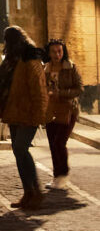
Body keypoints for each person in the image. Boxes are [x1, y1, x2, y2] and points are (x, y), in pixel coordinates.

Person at [0, 25, 48, 210]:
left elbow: (39, 89)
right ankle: (28, 192)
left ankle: (36, 191)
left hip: (28, 112)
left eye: (8, 40)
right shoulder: (11, 60)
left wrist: (39, 113)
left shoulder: (31, 59)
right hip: (13, 111)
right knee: (17, 151)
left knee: (21, 148)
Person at [44, 38, 83, 189]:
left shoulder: (70, 67)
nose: (57, 54)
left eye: (59, 51)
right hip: (51, 109)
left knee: (59, 142)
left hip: (68, 109)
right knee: (52, 144)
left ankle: (63, 175)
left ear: (63, 51)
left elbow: (79, 88)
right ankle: (56, 176)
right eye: (53, 51)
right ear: (49, 52)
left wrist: (60, 93)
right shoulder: (45, 68)